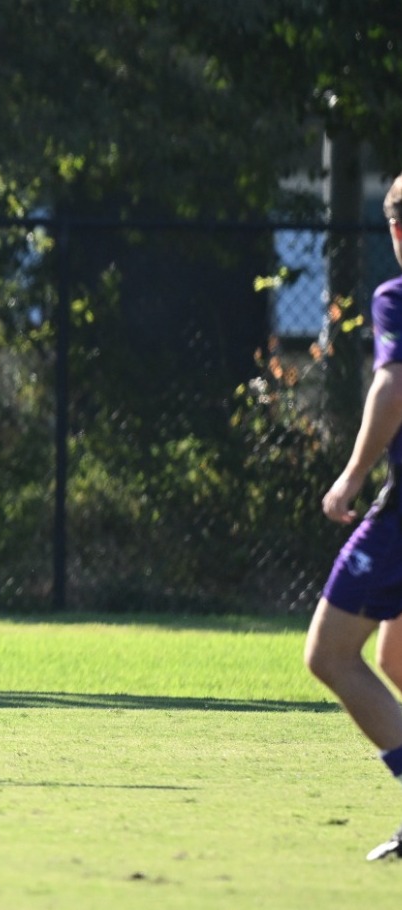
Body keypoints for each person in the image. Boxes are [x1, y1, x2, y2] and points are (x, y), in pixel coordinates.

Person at [307, 172, 402, 862]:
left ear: (395, 230)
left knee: (330, 654)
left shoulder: (396, 295)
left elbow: (394, 383)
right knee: (394, 654)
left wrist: (351, 476)